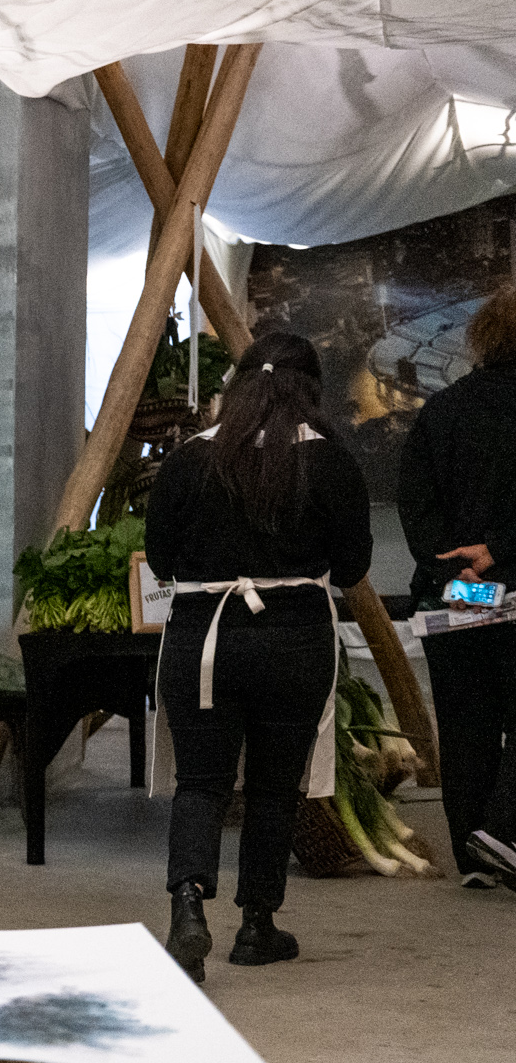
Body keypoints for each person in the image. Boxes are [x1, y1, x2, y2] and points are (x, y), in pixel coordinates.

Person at [145, 333, 373, 978]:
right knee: (276, 788)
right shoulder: (330, 463)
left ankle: (188, 906)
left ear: (237, 386)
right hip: (295, 640)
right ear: (313, 393)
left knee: (202, 783)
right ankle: (257, 926)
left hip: (204, 639)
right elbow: (354, 567)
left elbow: (162, 561)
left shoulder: (189, 460)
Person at [396, 288, 516, 887]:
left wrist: (454, 571)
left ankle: (474, 860)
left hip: (453, 598)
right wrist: (499, 553)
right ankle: (501, 832)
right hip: (515, 591)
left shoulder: (441, 411)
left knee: (465, 725)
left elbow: (415, 504)